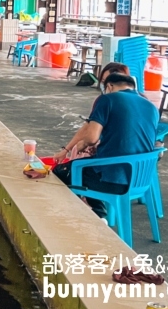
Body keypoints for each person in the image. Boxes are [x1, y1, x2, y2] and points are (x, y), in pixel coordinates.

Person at [50, 73, 159, 218]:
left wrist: (83, 144)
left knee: (62, 172)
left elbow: (91, 138)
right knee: (88, 167)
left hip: (113, 179)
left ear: (109, 86)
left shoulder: (107, 99)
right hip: (140, 179)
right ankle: (97, 213)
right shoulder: (150, 106)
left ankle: (93, 215)